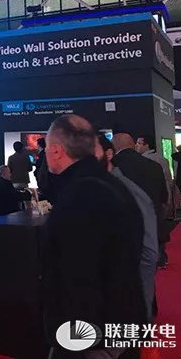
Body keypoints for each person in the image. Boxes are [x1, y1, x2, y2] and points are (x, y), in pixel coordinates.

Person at [44, 116, 146, 357]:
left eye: (47, 147)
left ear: (56, 151)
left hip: (94, 336)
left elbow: (78, 278)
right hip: (119, 323)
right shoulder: (110, 184)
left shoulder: (81, 195)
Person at [96, 135, 158, 322]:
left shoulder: (123, 190)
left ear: (108, 154)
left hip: (122, 299)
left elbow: (148, 254)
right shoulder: (97, 187)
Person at [112, 133, 170, 269]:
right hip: (153, 224)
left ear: (114, 147)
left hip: (125, 229)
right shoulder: (154, 166)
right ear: (132, 144)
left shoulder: (113, 166)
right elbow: (163, 197)